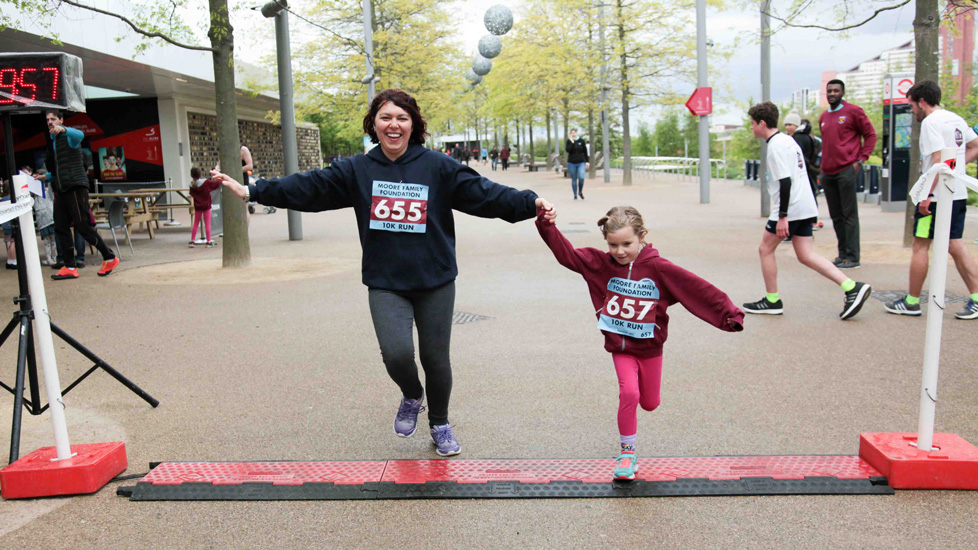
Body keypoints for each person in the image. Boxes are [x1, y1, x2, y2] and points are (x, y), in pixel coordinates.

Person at [210, 88, 556, 457]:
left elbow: (485, 193)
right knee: (396, 354)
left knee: (436, 359)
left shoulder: (437, 166)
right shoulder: (358, 169)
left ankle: (440, 423)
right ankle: (411, 394)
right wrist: (255, 190)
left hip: (435, 280)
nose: (394, 125)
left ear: (414, 125)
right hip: (386, 282)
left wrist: (529, 202)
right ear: (374, 124)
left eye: (402, 118)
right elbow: (310, 188)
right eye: (386, 118)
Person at [536, 205, 743, 480]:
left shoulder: (659, 268)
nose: (619, 251)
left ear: (642, 236)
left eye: (627, 244)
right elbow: (566, 254)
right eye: (612, 245)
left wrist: (729, 314)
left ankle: (635, 430)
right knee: (629, 394)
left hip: (650, 349)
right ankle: (627, 454)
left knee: (649, 403)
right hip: (621, 348)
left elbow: (697, 288)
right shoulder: (600, 264)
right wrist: (546, 225)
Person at [742, 101, 871, 320]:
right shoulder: (788, 141)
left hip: (790, 208)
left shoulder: (775, 146)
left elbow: (785, 182)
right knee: (806, 255)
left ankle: (772, 300)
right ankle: (851, 286)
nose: (752, 128)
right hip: (804, 205)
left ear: (762, 123)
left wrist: (782, 217)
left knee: (765, 249)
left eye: (753, 124)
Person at [884, 80, 978, 320]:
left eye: (912, 105)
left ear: (922, 102)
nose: (912, 110)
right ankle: (977, 298)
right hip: (955, 193)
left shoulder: (930, 123)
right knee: (954, 244)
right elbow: (975, 145)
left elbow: (937, 158)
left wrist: (925, 195)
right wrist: (956, 170)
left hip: (934, 198)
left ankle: (912, 302)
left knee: (920, 245)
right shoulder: (955, 119)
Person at [41, 109, 119, 279]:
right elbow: (60, 170)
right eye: (47, 119)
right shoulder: (54, 142)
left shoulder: (69, 136)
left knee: (82, 226)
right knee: (60, 227)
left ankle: (110, 257)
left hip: (76, 187)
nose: (50, 122)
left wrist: (64, 129)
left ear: (61, 120)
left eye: (53, 119)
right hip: (62, 189)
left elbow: (80, 135)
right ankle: (69, 267)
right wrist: (45, 176)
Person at [818, 79, 877, 270]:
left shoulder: (853, 111)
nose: (832, 93)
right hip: (828, 172)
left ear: (842, 93)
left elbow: (870, 135)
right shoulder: (824, 116)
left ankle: (853, 257)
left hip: (846, 169)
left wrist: (861, 160)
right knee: (836, 216)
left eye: (836, 90)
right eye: (829, 91)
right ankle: (842, 254)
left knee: (849, 215)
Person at [784, 112, 823, 231]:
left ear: (796, 125)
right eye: (786, 124)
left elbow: (798, 157)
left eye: (790, 124)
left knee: (804, 196)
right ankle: (812, 221)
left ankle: (806, 223)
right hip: (810, 171)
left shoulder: (798, 138)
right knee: (810, 194)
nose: (787, 127)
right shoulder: (808, 137)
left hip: (803, 172)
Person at [29, 166, 57, 266]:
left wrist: (45, 177)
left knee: (51, 241)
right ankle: (51, 258)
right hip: (45, 220)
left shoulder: (47, 193)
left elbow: (50, 186)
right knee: (49, 241)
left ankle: (52, 258)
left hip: (48, 219)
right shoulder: (35, 196)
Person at [188, 167, 222, 248]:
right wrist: (220, 178)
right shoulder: (205, 182)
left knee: (196, 223)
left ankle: (192, 241)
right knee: (207, 224)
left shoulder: (191, 185)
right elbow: (216, 184)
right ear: (200, 174)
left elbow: (191, 194)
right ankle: (208, 241)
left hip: (197, 207)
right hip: (206, 205)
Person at [566, 129, 589, 200]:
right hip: (571, 162)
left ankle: (580, 191)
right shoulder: (569, 141)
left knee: (581, 177)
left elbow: (585, 151)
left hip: (581, 162)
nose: (573, 134)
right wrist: (572, 142)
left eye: (574, 133)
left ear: (577, 133)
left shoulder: (581, 141)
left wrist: (587, 161)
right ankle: (575, 194)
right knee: (574, 179)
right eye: (572, 133)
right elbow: (568, 150)